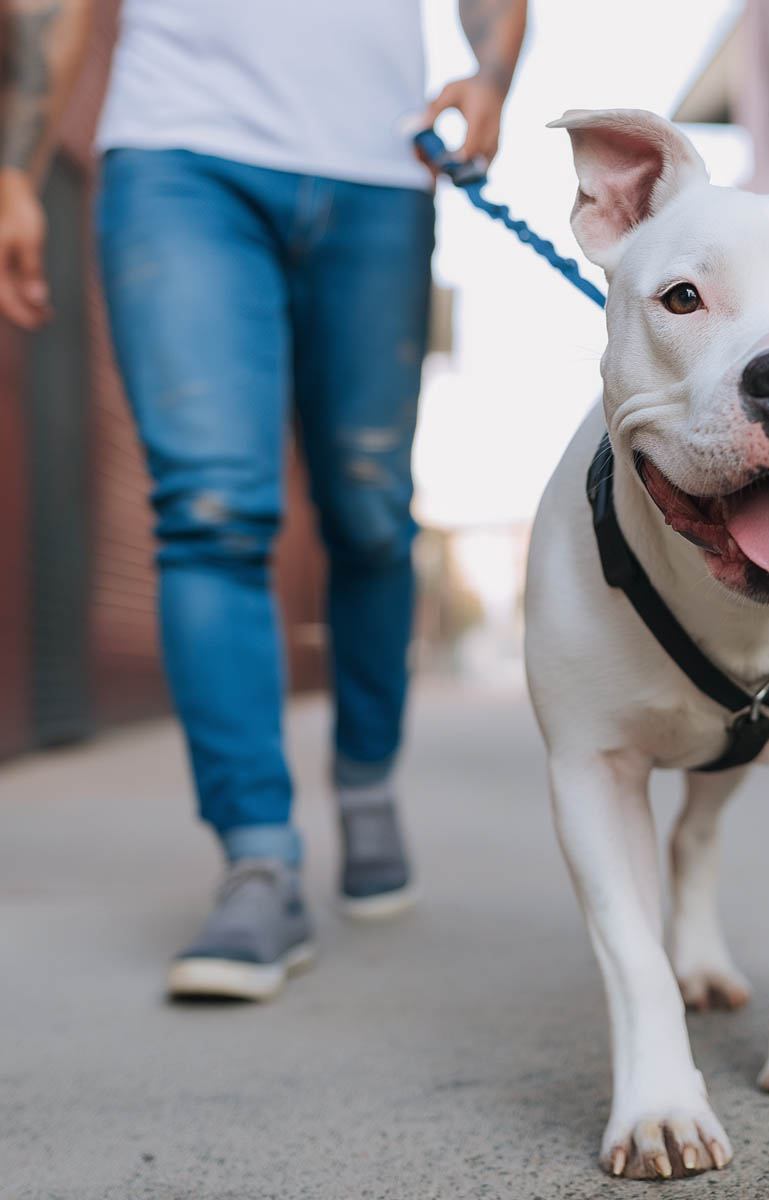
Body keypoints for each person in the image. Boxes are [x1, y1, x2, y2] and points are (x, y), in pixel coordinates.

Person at [0, 0, 527, 1000]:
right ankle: (258, 861)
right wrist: (17, 171)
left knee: (370, 514)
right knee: (209, 509)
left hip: (378, 172)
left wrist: (491, 73)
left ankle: (367, 785)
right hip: (176, 157)